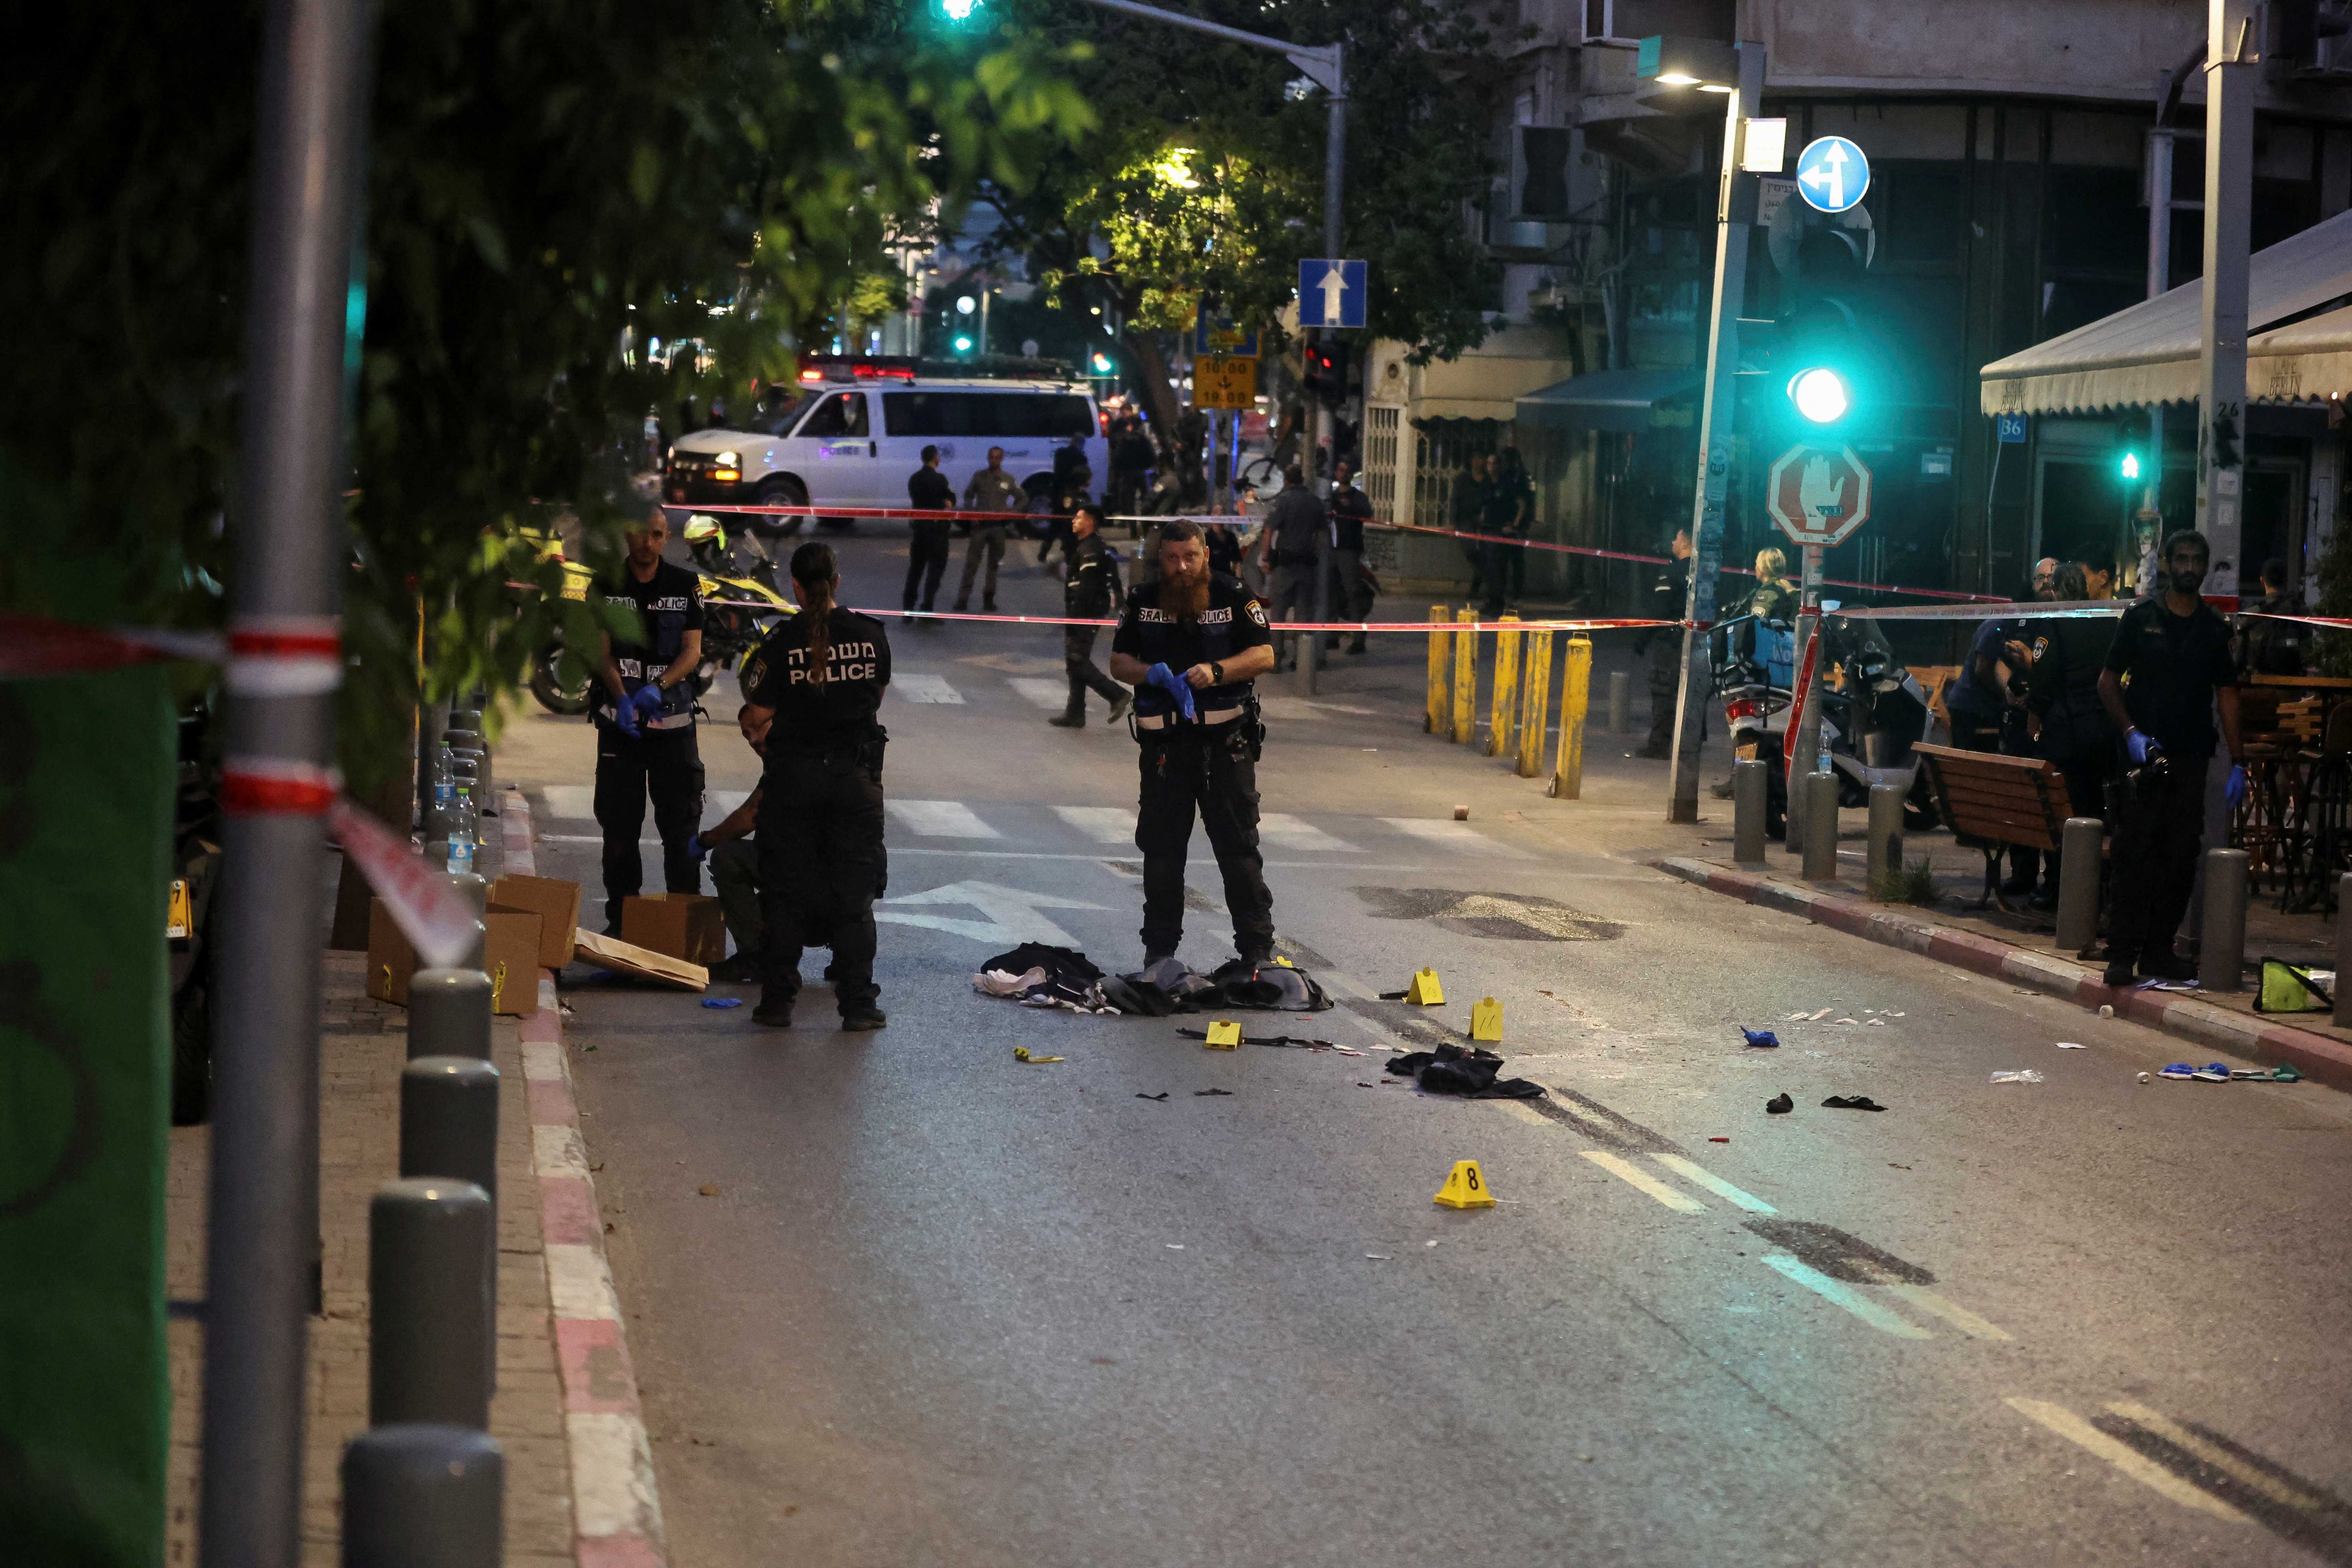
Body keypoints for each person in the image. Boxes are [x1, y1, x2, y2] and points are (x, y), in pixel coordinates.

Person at [1107, 520, 1278, 966]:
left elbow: (1264, 654)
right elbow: (1117, 661)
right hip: (1166, 748)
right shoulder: (1143, 601)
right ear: (1159, 559)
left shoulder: (1232, 594)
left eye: (1190, 557)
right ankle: (1159, 954)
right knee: (1162, 853)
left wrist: (1218, 671)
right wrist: (1151, 674)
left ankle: (1256, 954)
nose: (1181, 567)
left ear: (1204, 555)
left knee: (1238, 848)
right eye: (1172, 558)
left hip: (1226, 744)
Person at [737, 541, 893, 1030]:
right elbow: (875, 700)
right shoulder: (871, 636)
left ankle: (777, 1004)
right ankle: (859, 1008)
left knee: (784, 893)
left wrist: (753, 725)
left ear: (797, 587)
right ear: (837, 582)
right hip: (855, 781)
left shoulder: (781, 643)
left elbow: (758, 714)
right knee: (854, 898)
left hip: (795, 784)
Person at [2096, 529, 2244, 987]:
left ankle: (2159, 952)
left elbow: (2227, 695)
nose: (2187, 566)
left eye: (2196, 559)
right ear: (2165, 563)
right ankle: (2121, 953)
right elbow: (2106, 682)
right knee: (2134, 854)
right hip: (2145, 758)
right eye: (2180, 558)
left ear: (2204, 567)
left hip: (2190, 757)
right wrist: (2131, 733)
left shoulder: (2213, 630)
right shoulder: (2140, 618)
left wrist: (2238, 761)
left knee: (2179, 858)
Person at [592, 506, 706, 934]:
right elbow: (601, 653)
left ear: (666, 538)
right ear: (627, 535)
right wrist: (621, 698)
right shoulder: (605, 584)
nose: (648, 543)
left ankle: (685, 927)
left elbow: (692, 651)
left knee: (680, 833)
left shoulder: (685, 584)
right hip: (621, 729)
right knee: (619, 833)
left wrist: (659, 686)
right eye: (641, 534)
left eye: (657, 535)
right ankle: (621, 925)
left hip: (673, 729)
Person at [2023, 562, 2118, 912]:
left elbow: (2044, 681)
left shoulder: (2054, 623)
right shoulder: (2108, 621)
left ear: (2060, 590)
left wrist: (2033, 721)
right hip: (2104, 730)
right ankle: (2096, 887)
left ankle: (2059, 888)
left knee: (2062, 809)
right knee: (2096, 812)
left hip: (2067, 734)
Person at [686, 706, 773, 984]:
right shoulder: (826, 746)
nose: (753, 739)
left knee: (728, 855)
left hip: (810, 888)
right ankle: (846, 956)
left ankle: (756, 957)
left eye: (759, 727)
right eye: (747, 734)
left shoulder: (790, 759)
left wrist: (706, 841)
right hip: (845, 893)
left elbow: (750, 815)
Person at [1049, 504, 1131, 729]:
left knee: (1078, 660)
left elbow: (1086, 587)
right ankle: (1075, 713)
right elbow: (1112, 573)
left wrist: (1075, 618)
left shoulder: (1090, 550)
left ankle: (1116, 695)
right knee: (1074, 661)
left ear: (1090, 522)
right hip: (1086, 611)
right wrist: (1119, 599)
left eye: (1079, 518)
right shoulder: (1094, 547)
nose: (1074, 521)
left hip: (1084, 613)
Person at [1634, 527, 1694, 759]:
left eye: (1677, 539)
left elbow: (1659, 612)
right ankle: (1690, 745)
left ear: (1686, 544)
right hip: (1697, 641)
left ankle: (1659, 745)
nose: (1672, 542)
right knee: (1691, 693)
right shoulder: (1705, 574)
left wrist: (1642, 640)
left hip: (1670, 642)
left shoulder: (1671, 573)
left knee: (1663, 692)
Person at [1257, 465, 1323, 671]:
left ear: (1286, 480)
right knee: (1303, 615)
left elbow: (1269, 530)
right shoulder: (1315, 502)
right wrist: (1314, 554)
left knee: (1278, 614)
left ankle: (1276, 659)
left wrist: (1267, 558)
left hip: (1285, 567)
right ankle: (1301, 659)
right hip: (1306, 566)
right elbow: (1321, 535)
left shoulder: (1284, 501)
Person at [953, 447, 1026, 613]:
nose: (994, 461)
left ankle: (989, 599)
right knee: (972, 564)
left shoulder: (1008, 479)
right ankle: (963, 599)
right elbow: (968, 495)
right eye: (992, 458)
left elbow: (1023, 498)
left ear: (1002, 459)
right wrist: (972, 514)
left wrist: (1011, 512)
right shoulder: (979, 477)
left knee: (993, 565)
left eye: (997, 458)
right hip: (980, 528)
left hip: (999, 528)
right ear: (988, 458)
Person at [1326, 459, 1375, 655]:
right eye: (1340, 469)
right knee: (1330, 594)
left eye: (1347, 470)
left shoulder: (1358, 497)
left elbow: (1368, 514)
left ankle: (1359, 640)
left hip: (1349, 551)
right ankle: (1332, 636)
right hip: (1331, 551)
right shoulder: (1330, 497)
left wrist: (1351, 507)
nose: (1343, 473)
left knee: (1352, 594)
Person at [904, 445, 956, 623]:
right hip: (937, 532)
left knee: (915, 571)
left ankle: (908, 612)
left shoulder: (914, 479)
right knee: (935, 571)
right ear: (935, 457)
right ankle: (926, 610)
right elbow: (951, 499)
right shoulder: (940, 479)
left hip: (919, 531)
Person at [1483, 446, 1533, 616]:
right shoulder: (1488, 484)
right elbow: (1485, 506)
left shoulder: (1508, 483)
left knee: (1499, 569)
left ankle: (1499, 603)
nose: (1491, 467)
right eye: (1488, 463)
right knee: (1490, 569)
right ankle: (1492, 601)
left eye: (1495, 463)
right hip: (1488, 530)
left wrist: (1514, 525)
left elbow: (1522, 505)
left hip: (1501, 532)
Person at [2238, 556, 2307, 677]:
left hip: (2258, 687)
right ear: (2286, 582)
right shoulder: (2301, 613)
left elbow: (2239, 659)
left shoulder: (2250, 616)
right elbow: (2308, 653)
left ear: (2262, 581)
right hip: (2291, 686)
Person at [1457, 454, 1493, 600]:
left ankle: (1478, 588)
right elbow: (1456, 500)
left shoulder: (1488, 481)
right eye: (1476, 458)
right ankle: (1483, 586)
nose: (1479, 461)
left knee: (1484, 555)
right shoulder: (1463, 480)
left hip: (1484, 522)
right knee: (1473, 553)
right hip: (1466, 522)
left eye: (1481, 458)